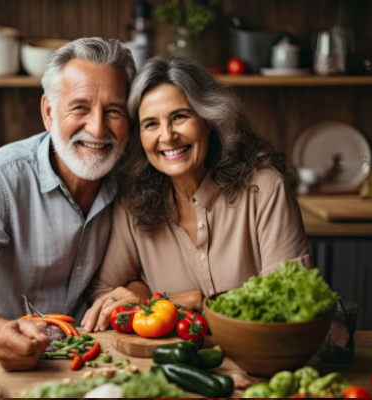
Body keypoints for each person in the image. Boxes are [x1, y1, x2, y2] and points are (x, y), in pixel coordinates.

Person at [0, 37, 149, 372]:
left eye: (114, 111)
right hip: (2, 359)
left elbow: (139, 274)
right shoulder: (0, 176)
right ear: (49, 112)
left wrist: (136, 292)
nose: (97, 127)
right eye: (80, 107)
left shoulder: (133, 178)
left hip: (91, 360)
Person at [82, 56, 311, 332]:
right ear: (139, 138)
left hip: (256, 362)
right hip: (168, 365)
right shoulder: (133, 201)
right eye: (151, 124)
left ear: (209, 120)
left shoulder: (263, 188)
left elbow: (290, 299)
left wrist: (196, 304)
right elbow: (104, 293)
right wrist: (141, 294)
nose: (167, 136)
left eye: (179, 117)